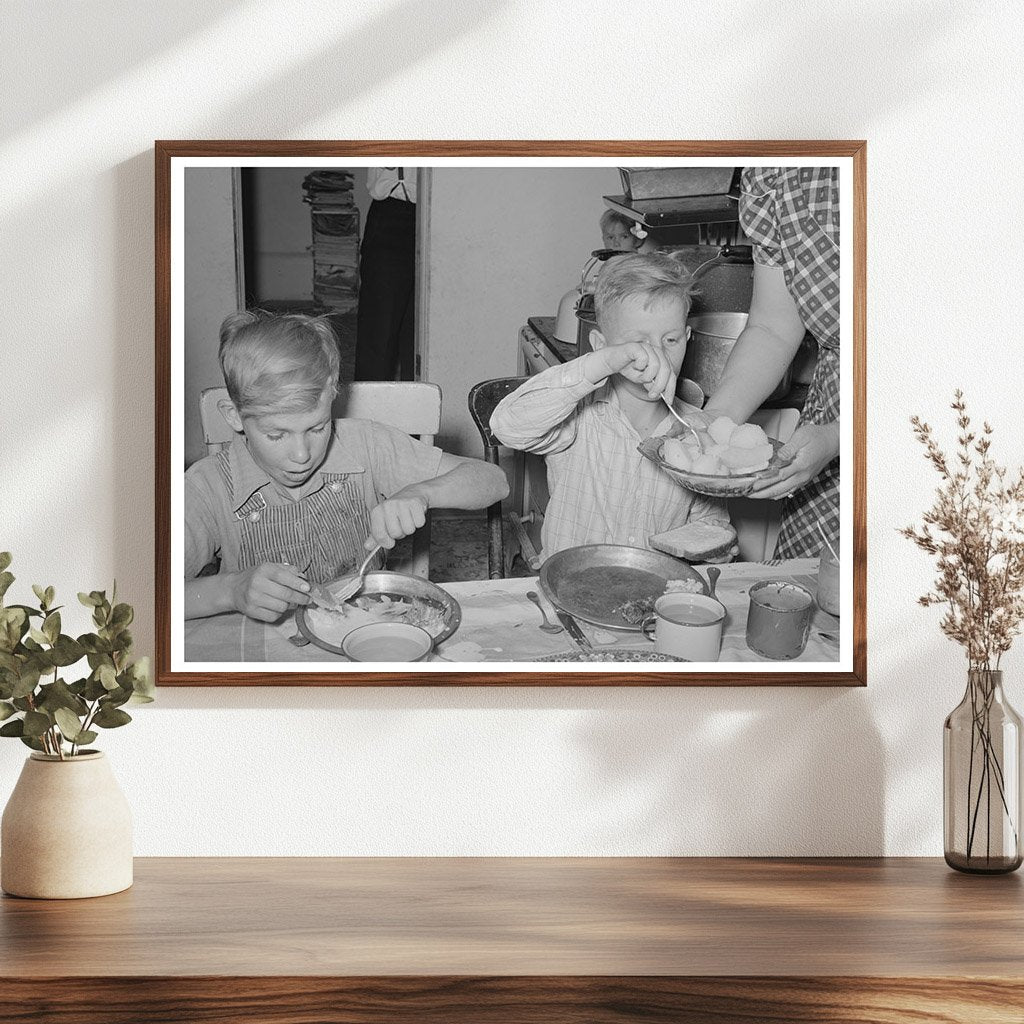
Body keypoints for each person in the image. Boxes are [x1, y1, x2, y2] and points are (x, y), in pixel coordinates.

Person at [185, 311, 508, 622]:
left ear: (332, 396)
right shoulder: (208, 485)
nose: (301, 454)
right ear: (233, 415)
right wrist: (228, 591)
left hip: (364, 622)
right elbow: (142, 593)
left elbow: (493, 481)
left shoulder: (364, 444)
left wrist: (422, 493)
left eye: (317, 428)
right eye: (276, 434)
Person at [490, 252, 732, 560]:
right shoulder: (579, 415)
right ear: (602, 346)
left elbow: (709, 518)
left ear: (687, 337)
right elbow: (508, 427)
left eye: (671, 340)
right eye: (638, 343)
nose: (657, 355)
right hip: (573, 588)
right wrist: (601, 364)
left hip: (654, 594)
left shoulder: (697, 430)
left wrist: (715, 542)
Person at [692, 166, 841, 558]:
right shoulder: (775, 174)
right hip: (835, 411)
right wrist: (718, 418)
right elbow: (773, 327)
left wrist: (840, 436)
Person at [353, 167, 416, 382]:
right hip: (390, 212)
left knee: (420, 330)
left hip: (438, 207)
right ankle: (369, 406)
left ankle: (419, 403)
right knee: (379, 326)